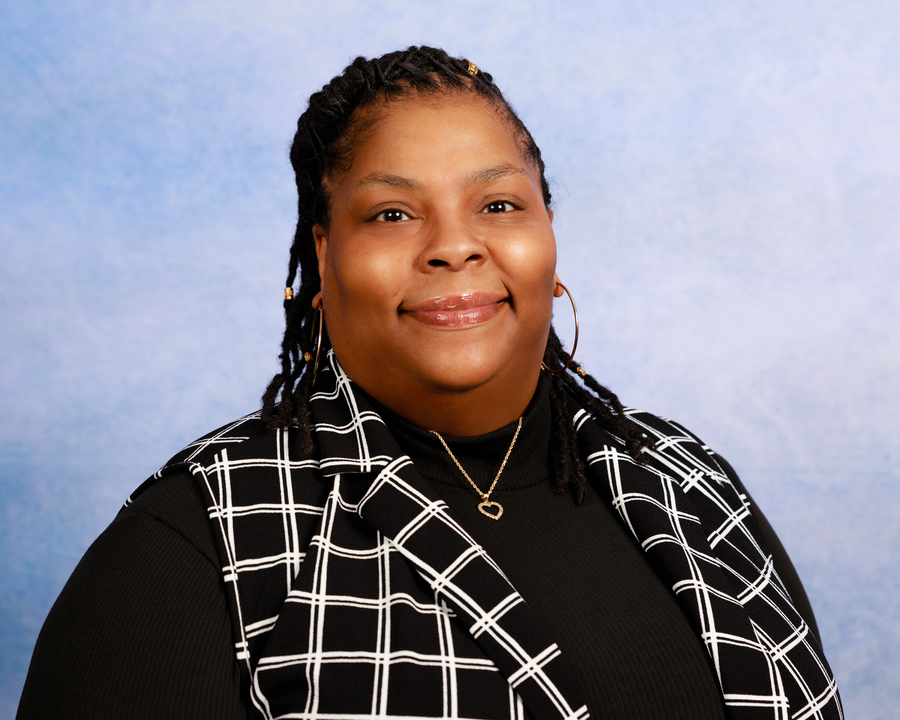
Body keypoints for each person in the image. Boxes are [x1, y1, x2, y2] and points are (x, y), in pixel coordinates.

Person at [17, 46, 843, 720]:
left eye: (498, 205)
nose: (454, 245)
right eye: (393, 214)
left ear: (549, 234)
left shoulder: (689, 484)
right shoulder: (194, 548)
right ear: (323, 255)